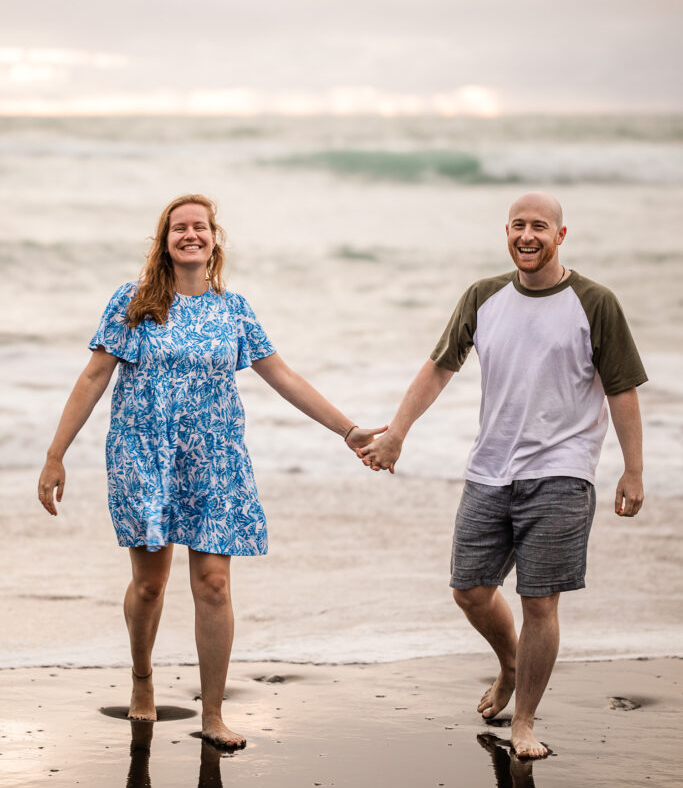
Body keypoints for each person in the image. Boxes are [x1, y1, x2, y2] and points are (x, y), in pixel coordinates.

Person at [38, 194, 384, 750]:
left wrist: (348, 431)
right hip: (144, 454)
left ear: (215, 238)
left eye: (200, 226)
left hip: (215, 459)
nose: (190, 235)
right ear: (165, 240)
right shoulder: (134, 302)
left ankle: (213, 714)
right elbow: (93, 375)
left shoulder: (234, 309)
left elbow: (284, 376)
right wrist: (56, 454)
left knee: (215, 585)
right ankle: (142, 678)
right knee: (150, 587)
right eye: (179, 228)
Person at [358, 192, 647, 759]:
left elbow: (622, 391)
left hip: (563, 473)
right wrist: (397, 432)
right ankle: (511, 664)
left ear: (561, 236)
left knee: (540, 601)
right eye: (519, 225)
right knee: (470, 590)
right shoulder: (484, 296)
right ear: (507, 232)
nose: (528, 235)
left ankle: (525, 721)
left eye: (540, 226)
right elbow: (439, 367)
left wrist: (632, 471)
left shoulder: (595, 302)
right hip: (489, 470)